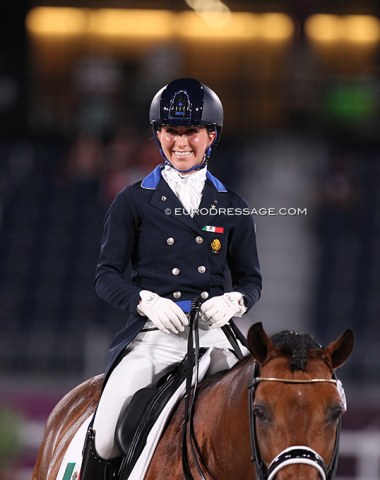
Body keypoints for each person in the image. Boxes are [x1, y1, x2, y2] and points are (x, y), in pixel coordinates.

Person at [80, 78, 262, 479]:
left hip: (215, 338)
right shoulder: (133, 200)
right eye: (171, 131)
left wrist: (235, 301)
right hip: (155, 337)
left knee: (262, 420)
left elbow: (251, 279)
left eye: (191, 132)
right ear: (158, 134)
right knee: (107, 433)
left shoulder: (231, 205)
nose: (181, 142)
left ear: (210, 135)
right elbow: (107, 275)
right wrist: (146, 302)